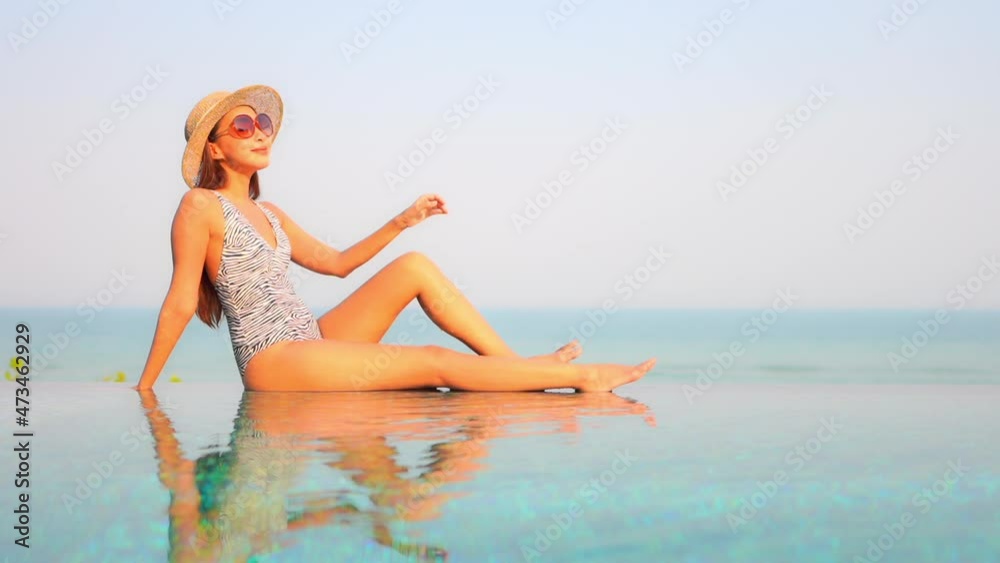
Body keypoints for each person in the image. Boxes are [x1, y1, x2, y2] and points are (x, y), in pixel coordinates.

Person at [134, 85, 656, 391]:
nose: (262, 130)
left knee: (415, 266)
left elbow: (336, 263)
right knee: (429, 360)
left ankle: (516, 365)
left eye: (263, 121)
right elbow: (181, 301)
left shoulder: (269, 212)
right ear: (215, 150)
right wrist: (145, 388)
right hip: (272, 358)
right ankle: (576, 377)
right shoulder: (200, 206)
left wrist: (403, 220)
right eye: (243, 126)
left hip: (312, 340)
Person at [137, 387, 656, 561]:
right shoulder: (250, 538)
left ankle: (514, 388)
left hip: (266, 439)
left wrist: (152, 405)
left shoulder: (205, 546)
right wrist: (399, 546)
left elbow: (178, 482)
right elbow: (337, 510)